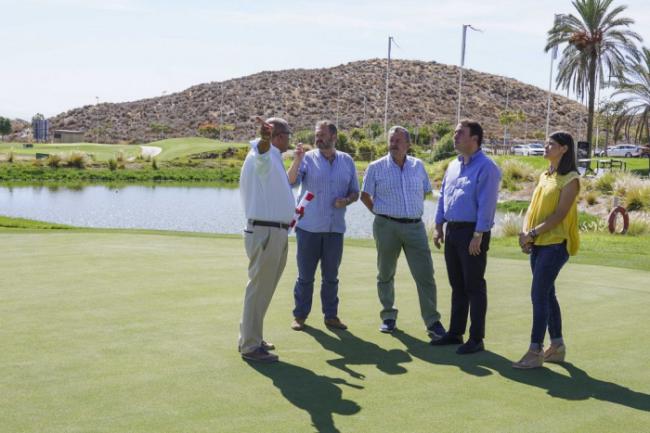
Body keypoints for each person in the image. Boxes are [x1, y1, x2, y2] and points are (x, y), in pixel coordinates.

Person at [360, 125, 446, 338]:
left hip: (415, 227)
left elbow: (425, 192)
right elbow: (365, 195)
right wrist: (380, 213)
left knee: (425, 275)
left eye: (398, 140)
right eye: (391, 140)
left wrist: (410, 211)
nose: (393, 144)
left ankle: (432, 322)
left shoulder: (418, 166)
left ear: (408, 144)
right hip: (386, 226)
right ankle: (388, 316)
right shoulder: (376, 167)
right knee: (385, 273)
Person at [432, 119, 501, 355]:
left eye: (460, 133)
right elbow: (443, 195)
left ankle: (476, 338)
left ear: (475, 139)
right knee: (457, 285)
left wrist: (479, 234)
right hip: (452, 230)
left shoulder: (487, 167)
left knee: (474, 285)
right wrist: (439, 224)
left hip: (473, 232)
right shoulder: (453, 165)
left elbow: (487, 204)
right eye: (455, 133)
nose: (455, 136)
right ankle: (455, 332)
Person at [512, 131, 580, 369]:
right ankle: (557, 346)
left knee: (538, 295)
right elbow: (532, 209)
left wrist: (532, 233)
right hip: (538, 243)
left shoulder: (570, 179)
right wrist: (526, 234)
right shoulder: (544, 175)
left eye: (551, 144)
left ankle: (535, 351)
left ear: (564, 149)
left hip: (555, 245)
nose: (546, 147)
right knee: (547, 294)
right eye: (546, 143)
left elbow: (559, 215)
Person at [287, 120, 359, 331]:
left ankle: (331, 316)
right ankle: (300, 316)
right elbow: (290, 181)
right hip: (308, 229)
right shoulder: (307, 159)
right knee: (305, 277)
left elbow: (355, 192)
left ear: (334, 137)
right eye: (316, 135)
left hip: (334, 230)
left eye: (322, 135)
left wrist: (345, 200)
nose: (317, 138)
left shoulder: (347, 161)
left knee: (331, 277)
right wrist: (297, 160)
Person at [238, 117, 294, 363]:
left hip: (276, 231)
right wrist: (263, 138)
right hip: (266, 232)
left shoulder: (274, 157)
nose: (290, 138)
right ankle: (250, 346)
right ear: (278, 136)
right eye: (288, 133)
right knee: (258, 289)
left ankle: (253, 337)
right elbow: (261, 155)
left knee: (264, 290)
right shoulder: (262, 153)